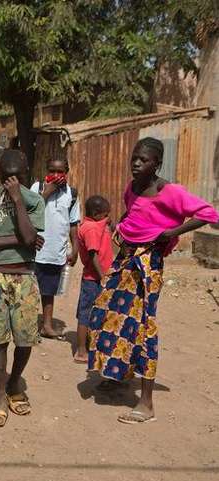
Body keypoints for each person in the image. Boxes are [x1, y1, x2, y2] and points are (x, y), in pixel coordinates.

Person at [87, 137, 218, 424]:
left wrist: (170, 234)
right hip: (127, 258)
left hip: (148, 262)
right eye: (134, 158)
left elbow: (208, 213)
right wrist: (119, 229)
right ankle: (117, 373)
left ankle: (146, 404)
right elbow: (132, 212)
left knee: (144, 325)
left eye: (143, 160)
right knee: (111, 316)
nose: (136, 163)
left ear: (156, 164)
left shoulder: (168, 191)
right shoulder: (132, 188)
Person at [0, 149, 45, 428]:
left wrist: (17, 200)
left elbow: (31, 238)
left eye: (16, 178)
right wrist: (19, 239)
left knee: (25, 339)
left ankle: (15, 380)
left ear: (25, 175)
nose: (11, 183)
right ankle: (1, 396)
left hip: (25, 277)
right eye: (6, 178)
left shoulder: (33, 200)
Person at [31, 158, 80, 339]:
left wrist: (75, 248)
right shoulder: (37, 188)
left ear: (66, 172)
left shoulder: (72, 194)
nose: (56, 176)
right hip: (34, 249)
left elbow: (73, 223)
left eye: (60, 172)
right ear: (47, 171)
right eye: (52, 171)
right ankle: (25, 326)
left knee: (48, 290)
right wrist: (46, 193)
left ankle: (47, 325)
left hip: (55, 250)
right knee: (28, 289)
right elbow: (28, 211)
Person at [73, 195, 113, 364]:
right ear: (96, 214)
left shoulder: (93, 224)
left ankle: (91, 345)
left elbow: (102, 224)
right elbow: (93, 254)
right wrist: (102, 277)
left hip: (95, 277)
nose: (107, 217)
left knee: (96, 313)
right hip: (93, 278)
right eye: (105, 215)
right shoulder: (91, 229)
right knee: (85, 314)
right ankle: (81, 350)